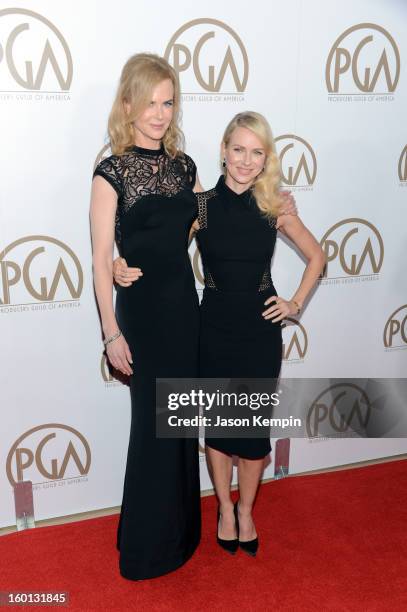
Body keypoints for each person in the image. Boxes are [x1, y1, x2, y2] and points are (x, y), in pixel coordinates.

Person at [114, 111, 325, 559]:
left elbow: (317, 257)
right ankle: (224, 510)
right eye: (238, 150)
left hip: (259, 330)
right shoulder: (201, 205)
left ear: (266, 159)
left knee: (250, 436)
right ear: (224, 152)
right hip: (211, 328)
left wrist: (294, 304)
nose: (246, 161)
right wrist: (119, 262)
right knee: (218, 432)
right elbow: (161, 248)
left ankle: (246, 511)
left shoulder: (274, 208)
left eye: (256, 153)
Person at [90, 53, 205, 580]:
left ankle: (181, 535)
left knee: (180, 423)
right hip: (141, 318)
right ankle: (145, 547)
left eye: (168, 102)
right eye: (150, 101)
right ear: (128, 103)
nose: (159, 113)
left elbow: (190, 233)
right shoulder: (110, 170)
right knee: (150, 429)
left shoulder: (185, 166)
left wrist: (275, 202)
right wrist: (111, 331)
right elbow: (97, 260)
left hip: (184, 309)